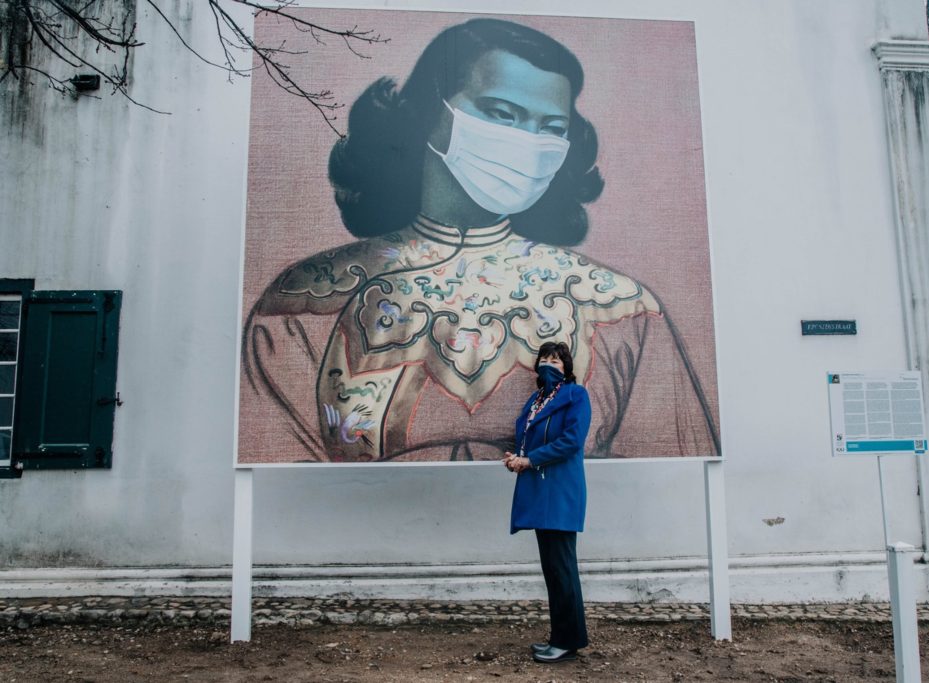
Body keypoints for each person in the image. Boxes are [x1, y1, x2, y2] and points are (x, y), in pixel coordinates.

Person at [241, 18, 719, 463]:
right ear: (428, 115)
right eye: (501, 113)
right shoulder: (303, 302)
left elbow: (660, 471)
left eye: (551, 128)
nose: (528, 142)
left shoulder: (622, 308)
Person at [504, 341, 590, 663]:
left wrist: (530, 461)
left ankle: (568, 641)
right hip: (541, 490)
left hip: (562, 491)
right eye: (545, 358)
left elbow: (571, 441)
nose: (550, 364)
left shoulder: (576, 396)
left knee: (562, 566)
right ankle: (562, 637)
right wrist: (518, 458)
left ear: (567, 368)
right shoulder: (536, 400)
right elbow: (529, 439)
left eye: (557, 360)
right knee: (552, 568)